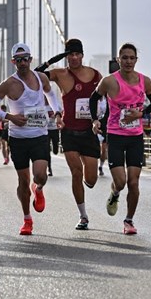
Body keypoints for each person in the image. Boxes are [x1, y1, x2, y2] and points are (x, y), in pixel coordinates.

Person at [0, 43, 60, 236]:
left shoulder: (41, 77)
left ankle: (39, 187)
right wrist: (10, 117)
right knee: (23, 181)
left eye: (26, 58)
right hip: (18, 138)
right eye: (18, 60)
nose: (23, 62)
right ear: (13, 62)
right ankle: (27, 219)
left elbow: (51, 94)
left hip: (39, 135)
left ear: (31, 59)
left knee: (41, 175)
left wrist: (57, 112)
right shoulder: (8, 84)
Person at [90, 43, 151, 235]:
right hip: (116, 136)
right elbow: (93, 98)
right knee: (120, 182)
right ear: (118, 59)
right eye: (124, 58)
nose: (128, 61)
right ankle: (115, 193)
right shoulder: (109, 81)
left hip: (135, 137)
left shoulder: (145, 81)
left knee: (134, 183)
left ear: (136, 60)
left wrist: (140, 113)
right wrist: (95, 120)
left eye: (132, 58)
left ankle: (128, 221)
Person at [37, 38, 104, 230]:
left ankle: (85, 181)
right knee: (76, 172)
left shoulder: (95, 75)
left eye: (77, 54)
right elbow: (35, 75)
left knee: (90, 180)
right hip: (69, 132)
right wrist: (52, 61)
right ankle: (83, 216)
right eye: (70, 54)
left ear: (83, 55)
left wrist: (101, 120)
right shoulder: (60, 74)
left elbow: (105, 97)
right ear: (66, 56)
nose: (74, 58)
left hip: (89, 131)